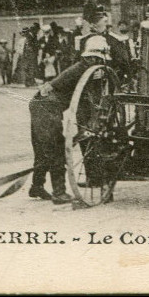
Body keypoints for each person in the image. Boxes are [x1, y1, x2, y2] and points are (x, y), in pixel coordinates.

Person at [28, 35, 109, 205]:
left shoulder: (85, 69)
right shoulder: (82, 69)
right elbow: (54, 86)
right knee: (57, 148)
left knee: (43, 149)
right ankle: (59, 193)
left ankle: (37, 186)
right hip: (46, 107)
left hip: (40, 105)